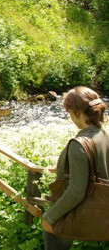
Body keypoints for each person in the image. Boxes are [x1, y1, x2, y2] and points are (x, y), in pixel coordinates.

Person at [42, 86, 108, 250]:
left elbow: (76, 192)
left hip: (80, 211)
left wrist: (49, 217)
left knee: (53, 235)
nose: (70, 117)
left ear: (77, 112)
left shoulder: (79, 145)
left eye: (70, 112)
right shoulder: (103, 133)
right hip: (102, 209)